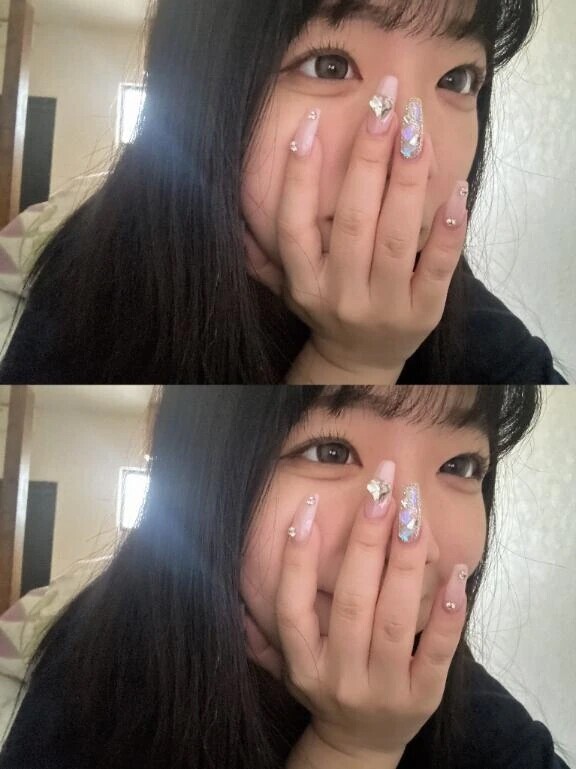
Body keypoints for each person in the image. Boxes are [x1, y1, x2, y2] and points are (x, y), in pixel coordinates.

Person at [0, 385, 571, 769]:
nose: (410, 545)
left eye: (460, 466)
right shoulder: (90, 677)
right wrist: (350, 750)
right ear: (204, 479)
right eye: (330, 451)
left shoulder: (489, 727)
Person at [0, 0, 569, 384]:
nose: (410, 161)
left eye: (456, 80)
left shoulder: (500, 356)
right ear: (201, 92)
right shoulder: (83, 286)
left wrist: (361, 358)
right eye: (330, 65)